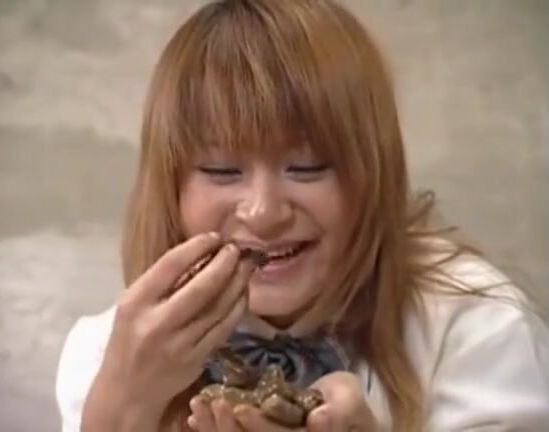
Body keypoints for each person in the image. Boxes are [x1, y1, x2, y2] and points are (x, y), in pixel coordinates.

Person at [54, 0, 549, 431]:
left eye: (307, 167)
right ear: (170, 189)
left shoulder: (477, 325)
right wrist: (119, 412)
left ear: (374, 171)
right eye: (222, 170)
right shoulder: (102, 354)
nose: (263, 212)